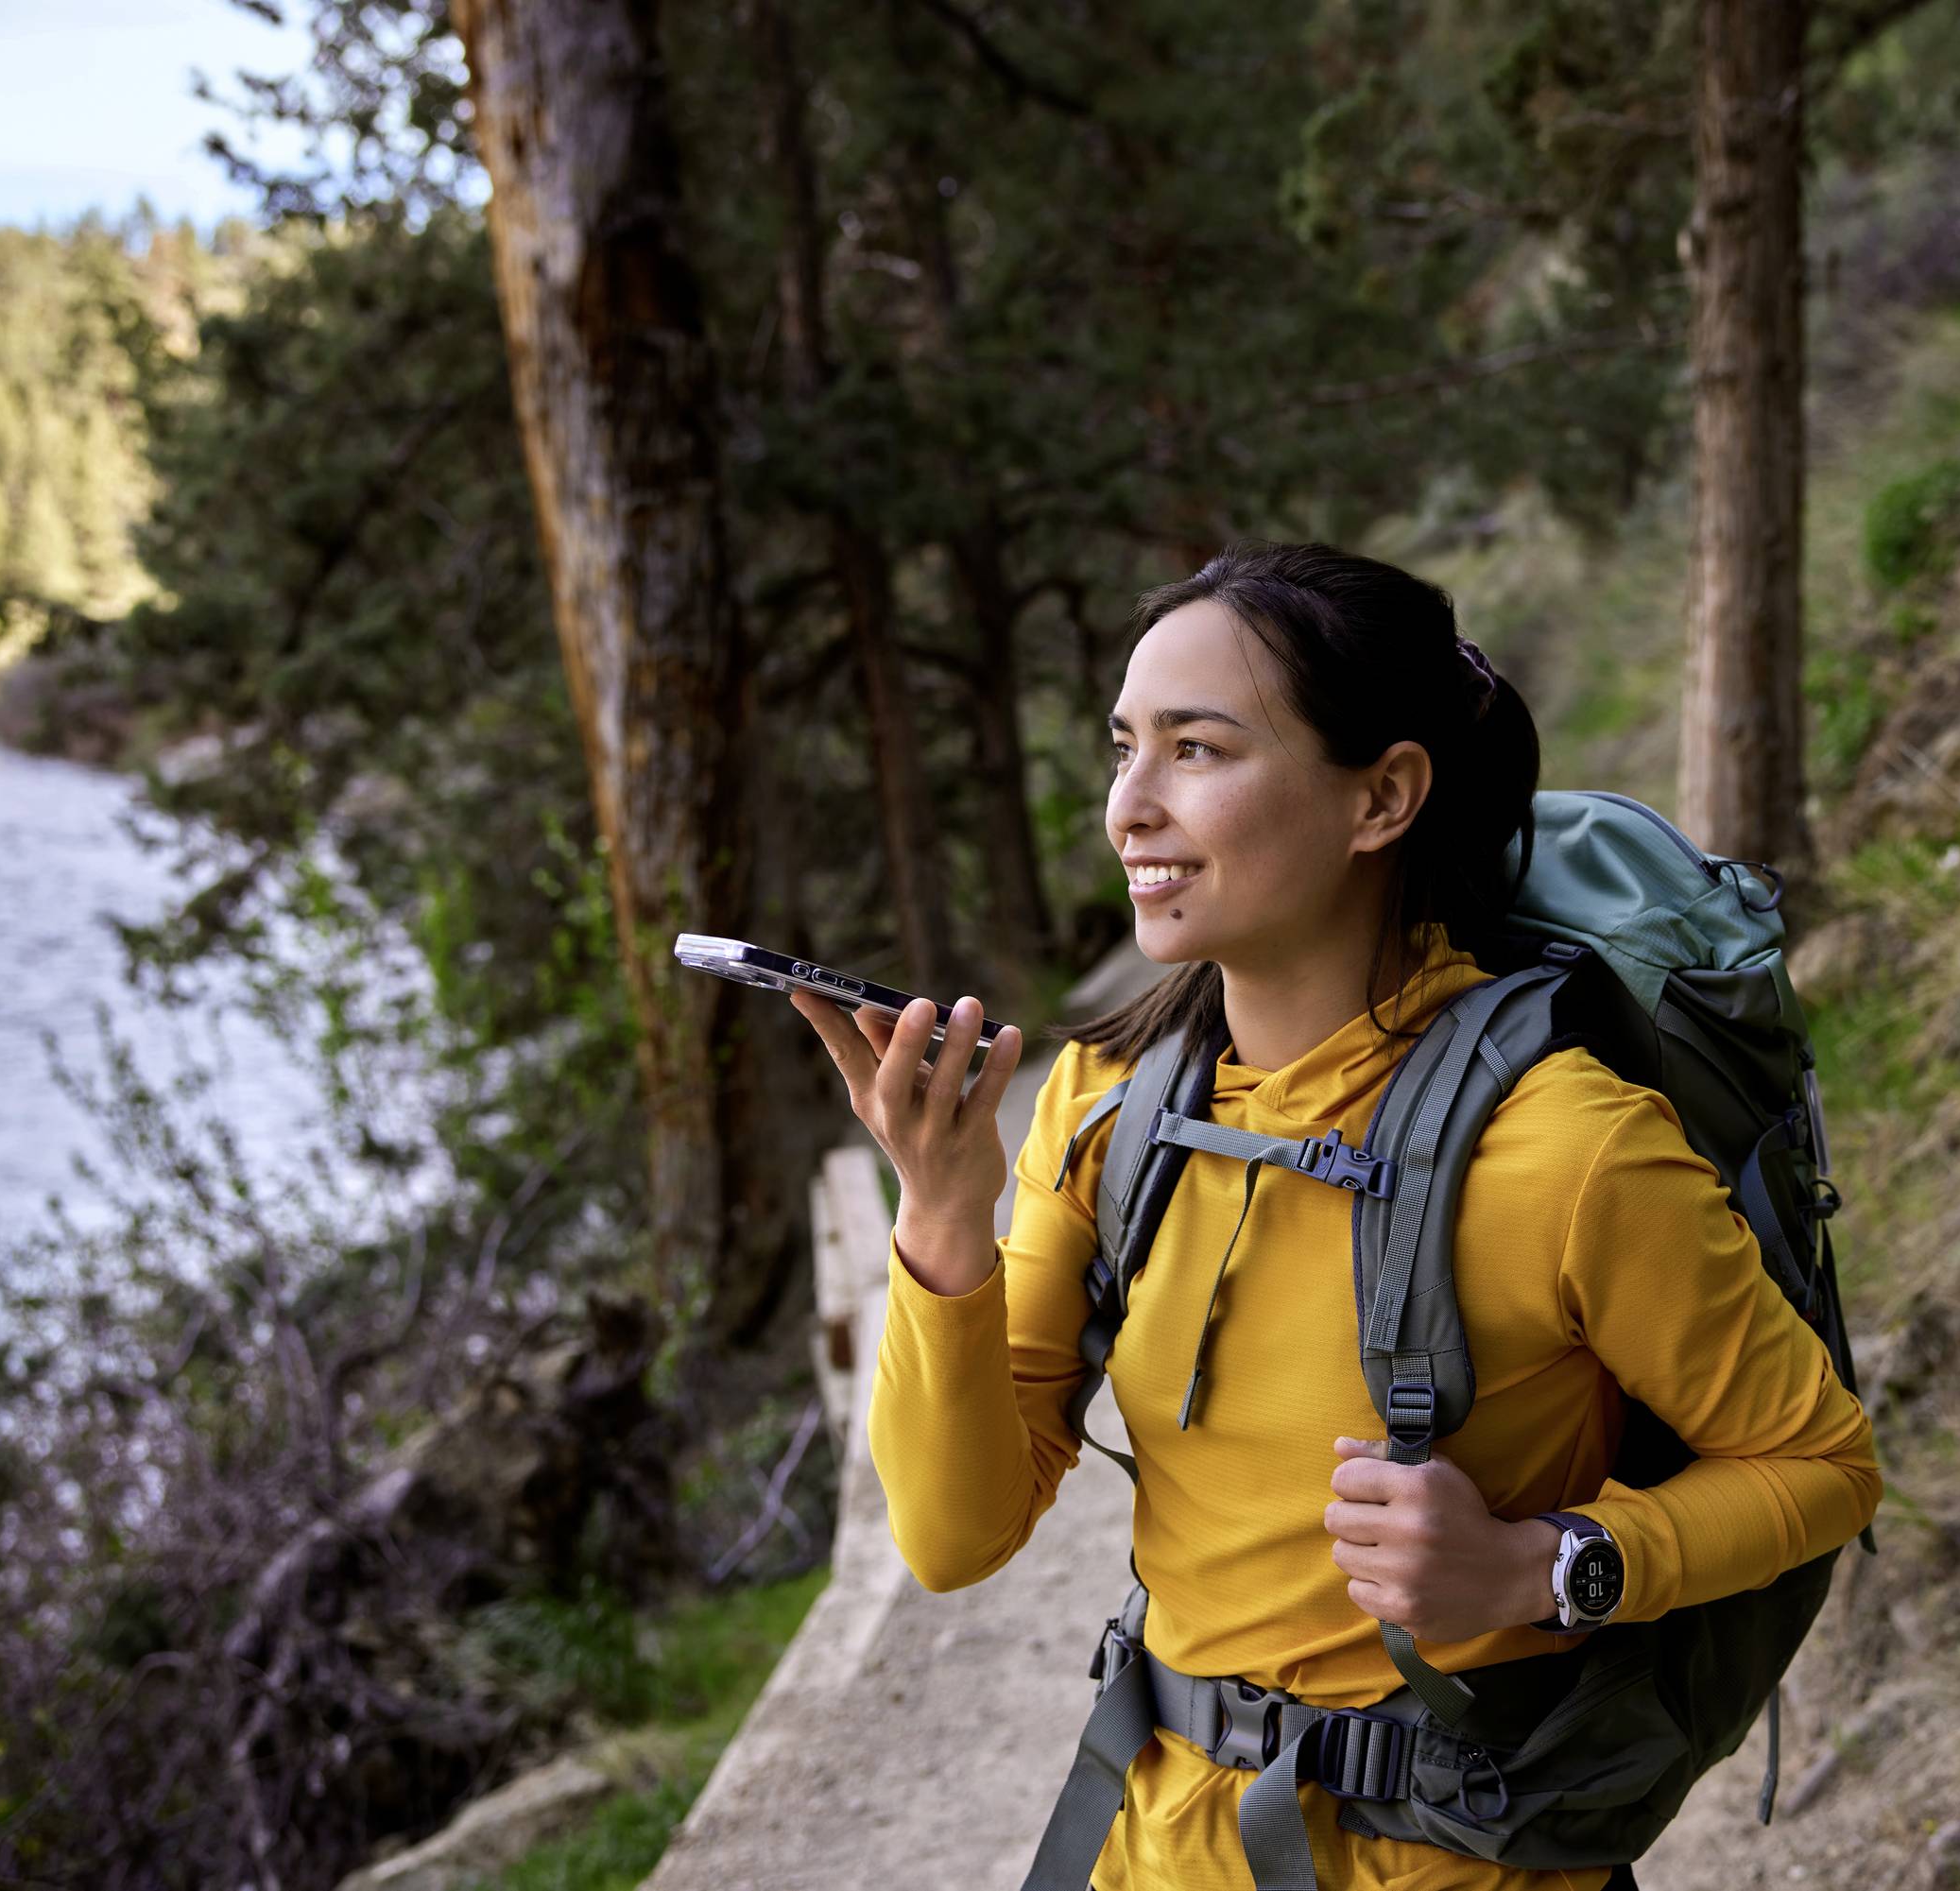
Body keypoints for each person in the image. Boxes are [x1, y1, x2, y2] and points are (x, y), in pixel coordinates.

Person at [792, 540, 1883, 1891]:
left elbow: (1825, 1466)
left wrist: (1548, 1567)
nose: (1131, 804)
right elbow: (955, 1537)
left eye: (1198, 750)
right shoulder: (1102, 1108)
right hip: (1149, 1851)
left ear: (1384, 796)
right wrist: (942, 1215)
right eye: (1124, 747)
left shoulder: (1565, 1151)